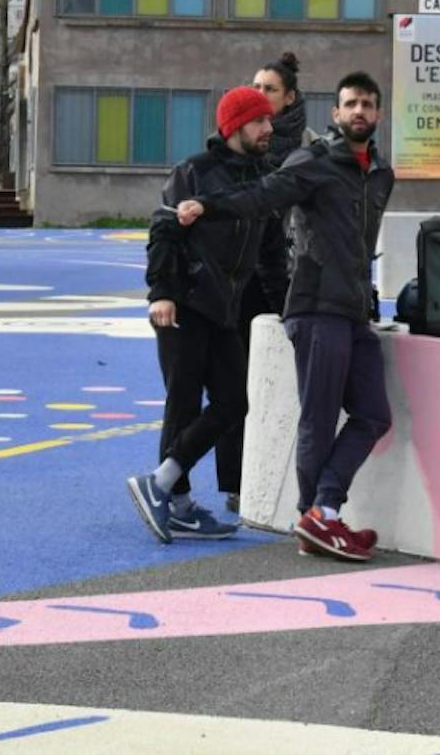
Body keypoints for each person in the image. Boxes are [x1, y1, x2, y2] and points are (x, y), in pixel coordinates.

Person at [177, 72, 394, 562]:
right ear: (335, 115)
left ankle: (322, 509)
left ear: (378, 114)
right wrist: (208, 205)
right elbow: (264, 194)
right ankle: (316, 517)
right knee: (318, 418)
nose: (359, 111)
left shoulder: (381, 173)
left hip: (356, 309)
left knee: (374, 415)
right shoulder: (315, 162)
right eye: (349, 104)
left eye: (367, 103)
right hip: (316, 307)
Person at [129, 86, 288, 544]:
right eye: (259, 121)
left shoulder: (264, 181)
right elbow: (164, 230)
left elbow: (273, 253)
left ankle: (158, 484)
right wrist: (160, 293)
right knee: (182, 404)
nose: (268, 129)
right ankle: (177, 504)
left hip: (225, 310)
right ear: (235, 125)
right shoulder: (195, 172)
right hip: (184, 303)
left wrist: (283, 307)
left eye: (269, 121)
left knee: (234, 402)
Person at [210, 51, 315, 515]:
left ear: (290, 98)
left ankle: (282, 479)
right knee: (232, 384)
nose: (260, 95)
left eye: (269, 89)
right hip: (238, 275)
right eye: (254, 86)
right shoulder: (237, 144)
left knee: (278, 385)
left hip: (286, 270)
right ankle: (235, 482)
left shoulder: (310, 147)